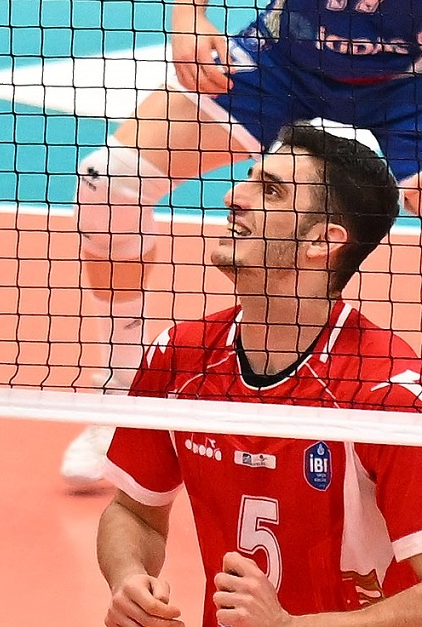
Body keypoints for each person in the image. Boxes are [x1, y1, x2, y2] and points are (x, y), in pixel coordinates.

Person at [66, 0, 422, 493]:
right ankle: (120, 391)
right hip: (283, 60)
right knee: (109, 181)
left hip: (409, 88)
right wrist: (188, 13)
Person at [97, 123, 422, 627]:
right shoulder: (180, 357)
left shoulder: (386, 393)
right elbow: (134, 512)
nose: (233, 197)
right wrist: (129, 578)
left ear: (323, 241)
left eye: (270, 191)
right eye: (249, 179)